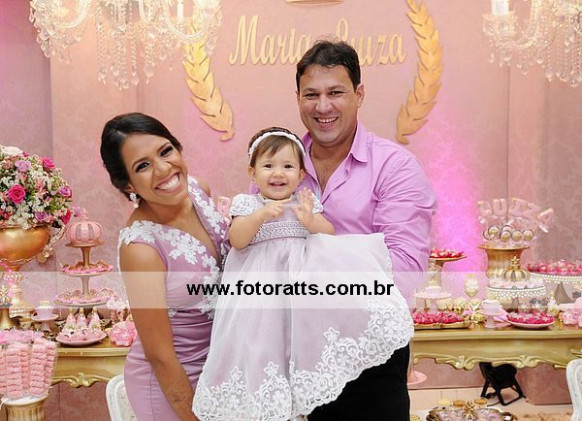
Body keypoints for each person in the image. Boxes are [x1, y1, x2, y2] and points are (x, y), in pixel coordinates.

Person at [194, 127, 414, 421]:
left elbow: (328, 234)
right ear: (252, 172)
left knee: (302, 340)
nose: (278, 173)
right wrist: (261, 215)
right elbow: (238, 239)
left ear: (300, 175)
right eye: (268, 165)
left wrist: (310, 220)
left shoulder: (304, 201)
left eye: (288, 166)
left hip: (302, 290)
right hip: (262, 290)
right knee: (263, 343)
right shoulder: (247, 204)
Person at [294, 40, 437, 420]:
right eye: (312, 94)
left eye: (335, 93)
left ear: (359, 94)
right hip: (290, 352)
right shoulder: (277, 165)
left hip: (369, 356)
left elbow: (404, 268)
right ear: (298, 99)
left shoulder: (394, 166)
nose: (323, 106)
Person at [100, 112, 228, 420]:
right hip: (171, 383)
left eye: (165, 151)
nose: (163, 169)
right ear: (127, 184)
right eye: (142, 166)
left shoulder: (199, 191)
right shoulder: (141, 249)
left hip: (219, 369)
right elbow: (160, 355)